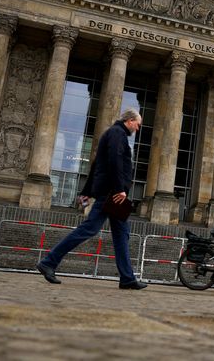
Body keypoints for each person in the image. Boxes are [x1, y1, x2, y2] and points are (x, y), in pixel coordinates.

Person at [35, 108, 147, 290]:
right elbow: (114, 162)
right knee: (89, 229)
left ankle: (127, 278)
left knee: (122, 234)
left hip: (112, 194)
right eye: (138, 124)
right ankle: (49, 262)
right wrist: (120, 188)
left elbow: (96, 165)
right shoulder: (117, 133)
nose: (138, 128)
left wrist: (86, 191)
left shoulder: (113, 134)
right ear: (130, 120)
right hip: (112, 194)